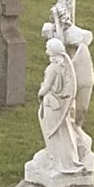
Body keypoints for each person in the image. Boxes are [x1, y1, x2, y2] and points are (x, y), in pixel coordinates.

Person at [37, 38, 83, 174]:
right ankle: (64, 160)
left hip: (52, 105)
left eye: (47, 47)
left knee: (54, 134)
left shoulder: (52, 69)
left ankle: (59, 163)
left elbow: (46, 87)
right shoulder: (63, 66)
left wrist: (40, 93)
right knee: (62, 132)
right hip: (59, 104)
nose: (46, 49)